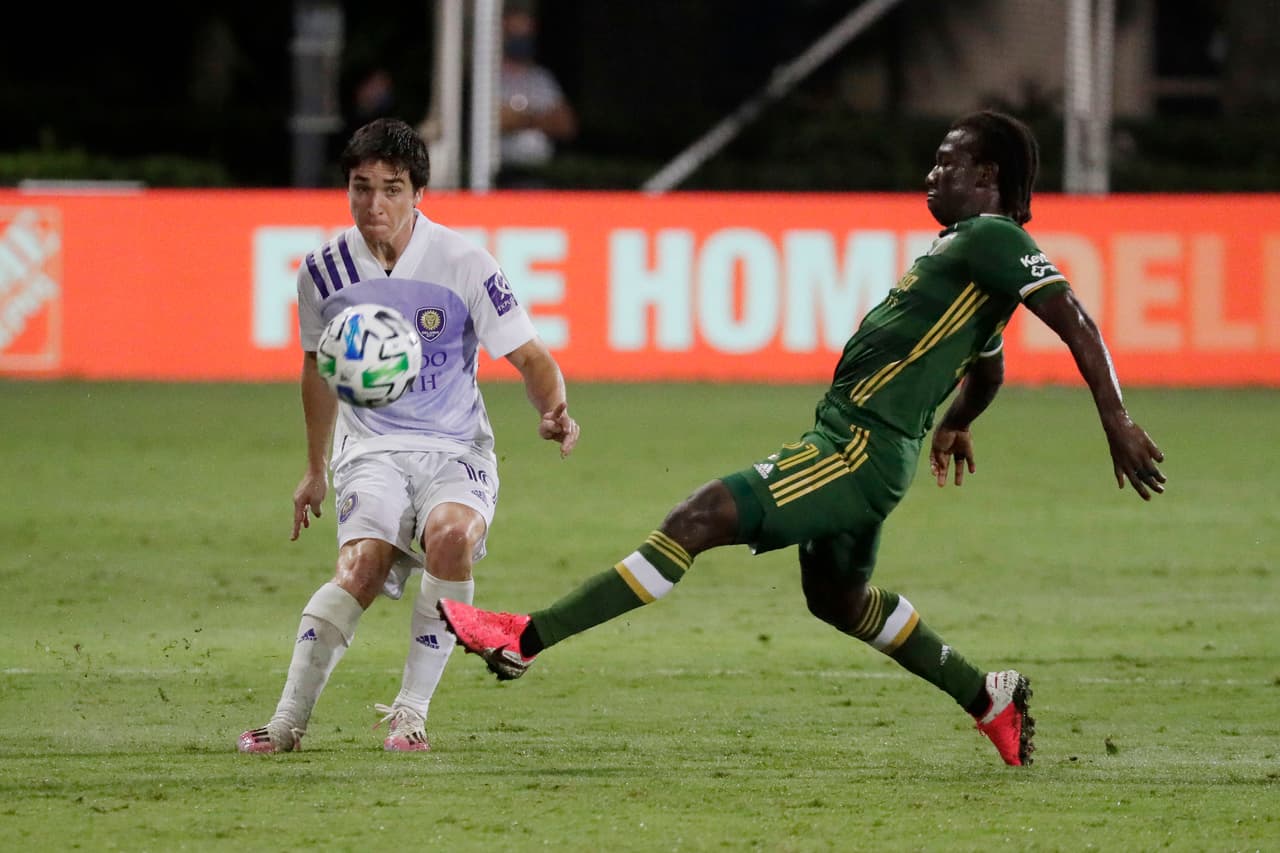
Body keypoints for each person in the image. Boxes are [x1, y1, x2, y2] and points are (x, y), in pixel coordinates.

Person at [439, 110, 1167, 767]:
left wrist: (1116, 418)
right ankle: (989, 698)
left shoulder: (993, 237)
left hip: (857, 447)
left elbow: (1074, 317)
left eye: (946, 163)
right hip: (872, 449)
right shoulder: (969, 262)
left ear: (987, 176)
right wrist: (958, 422)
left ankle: (523, 638)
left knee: (695, 519)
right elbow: (989, 366)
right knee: (839, 600)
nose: (930, 175)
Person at [238, 117, 580, 754]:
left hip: (457, 449)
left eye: (391, 188)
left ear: (418, 192)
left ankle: (410, 714)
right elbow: (316, 366)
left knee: (451, 537)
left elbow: (532, 358)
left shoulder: (465, 263)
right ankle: (287, 722)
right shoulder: (322, 271)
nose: (375, 204)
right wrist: (314, 469)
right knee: (360, 567)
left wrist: (553, 409)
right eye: (361, 187)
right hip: (370, 450)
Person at [496, 6, 578, 187]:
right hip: (501, 174)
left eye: (526, 33)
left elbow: (566, 124)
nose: (521, 39)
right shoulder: (490, 79)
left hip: (539, 173)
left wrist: (522, 118)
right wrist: (542, 118)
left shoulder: (542, 79)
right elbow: (498, 121)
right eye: (515, 32)